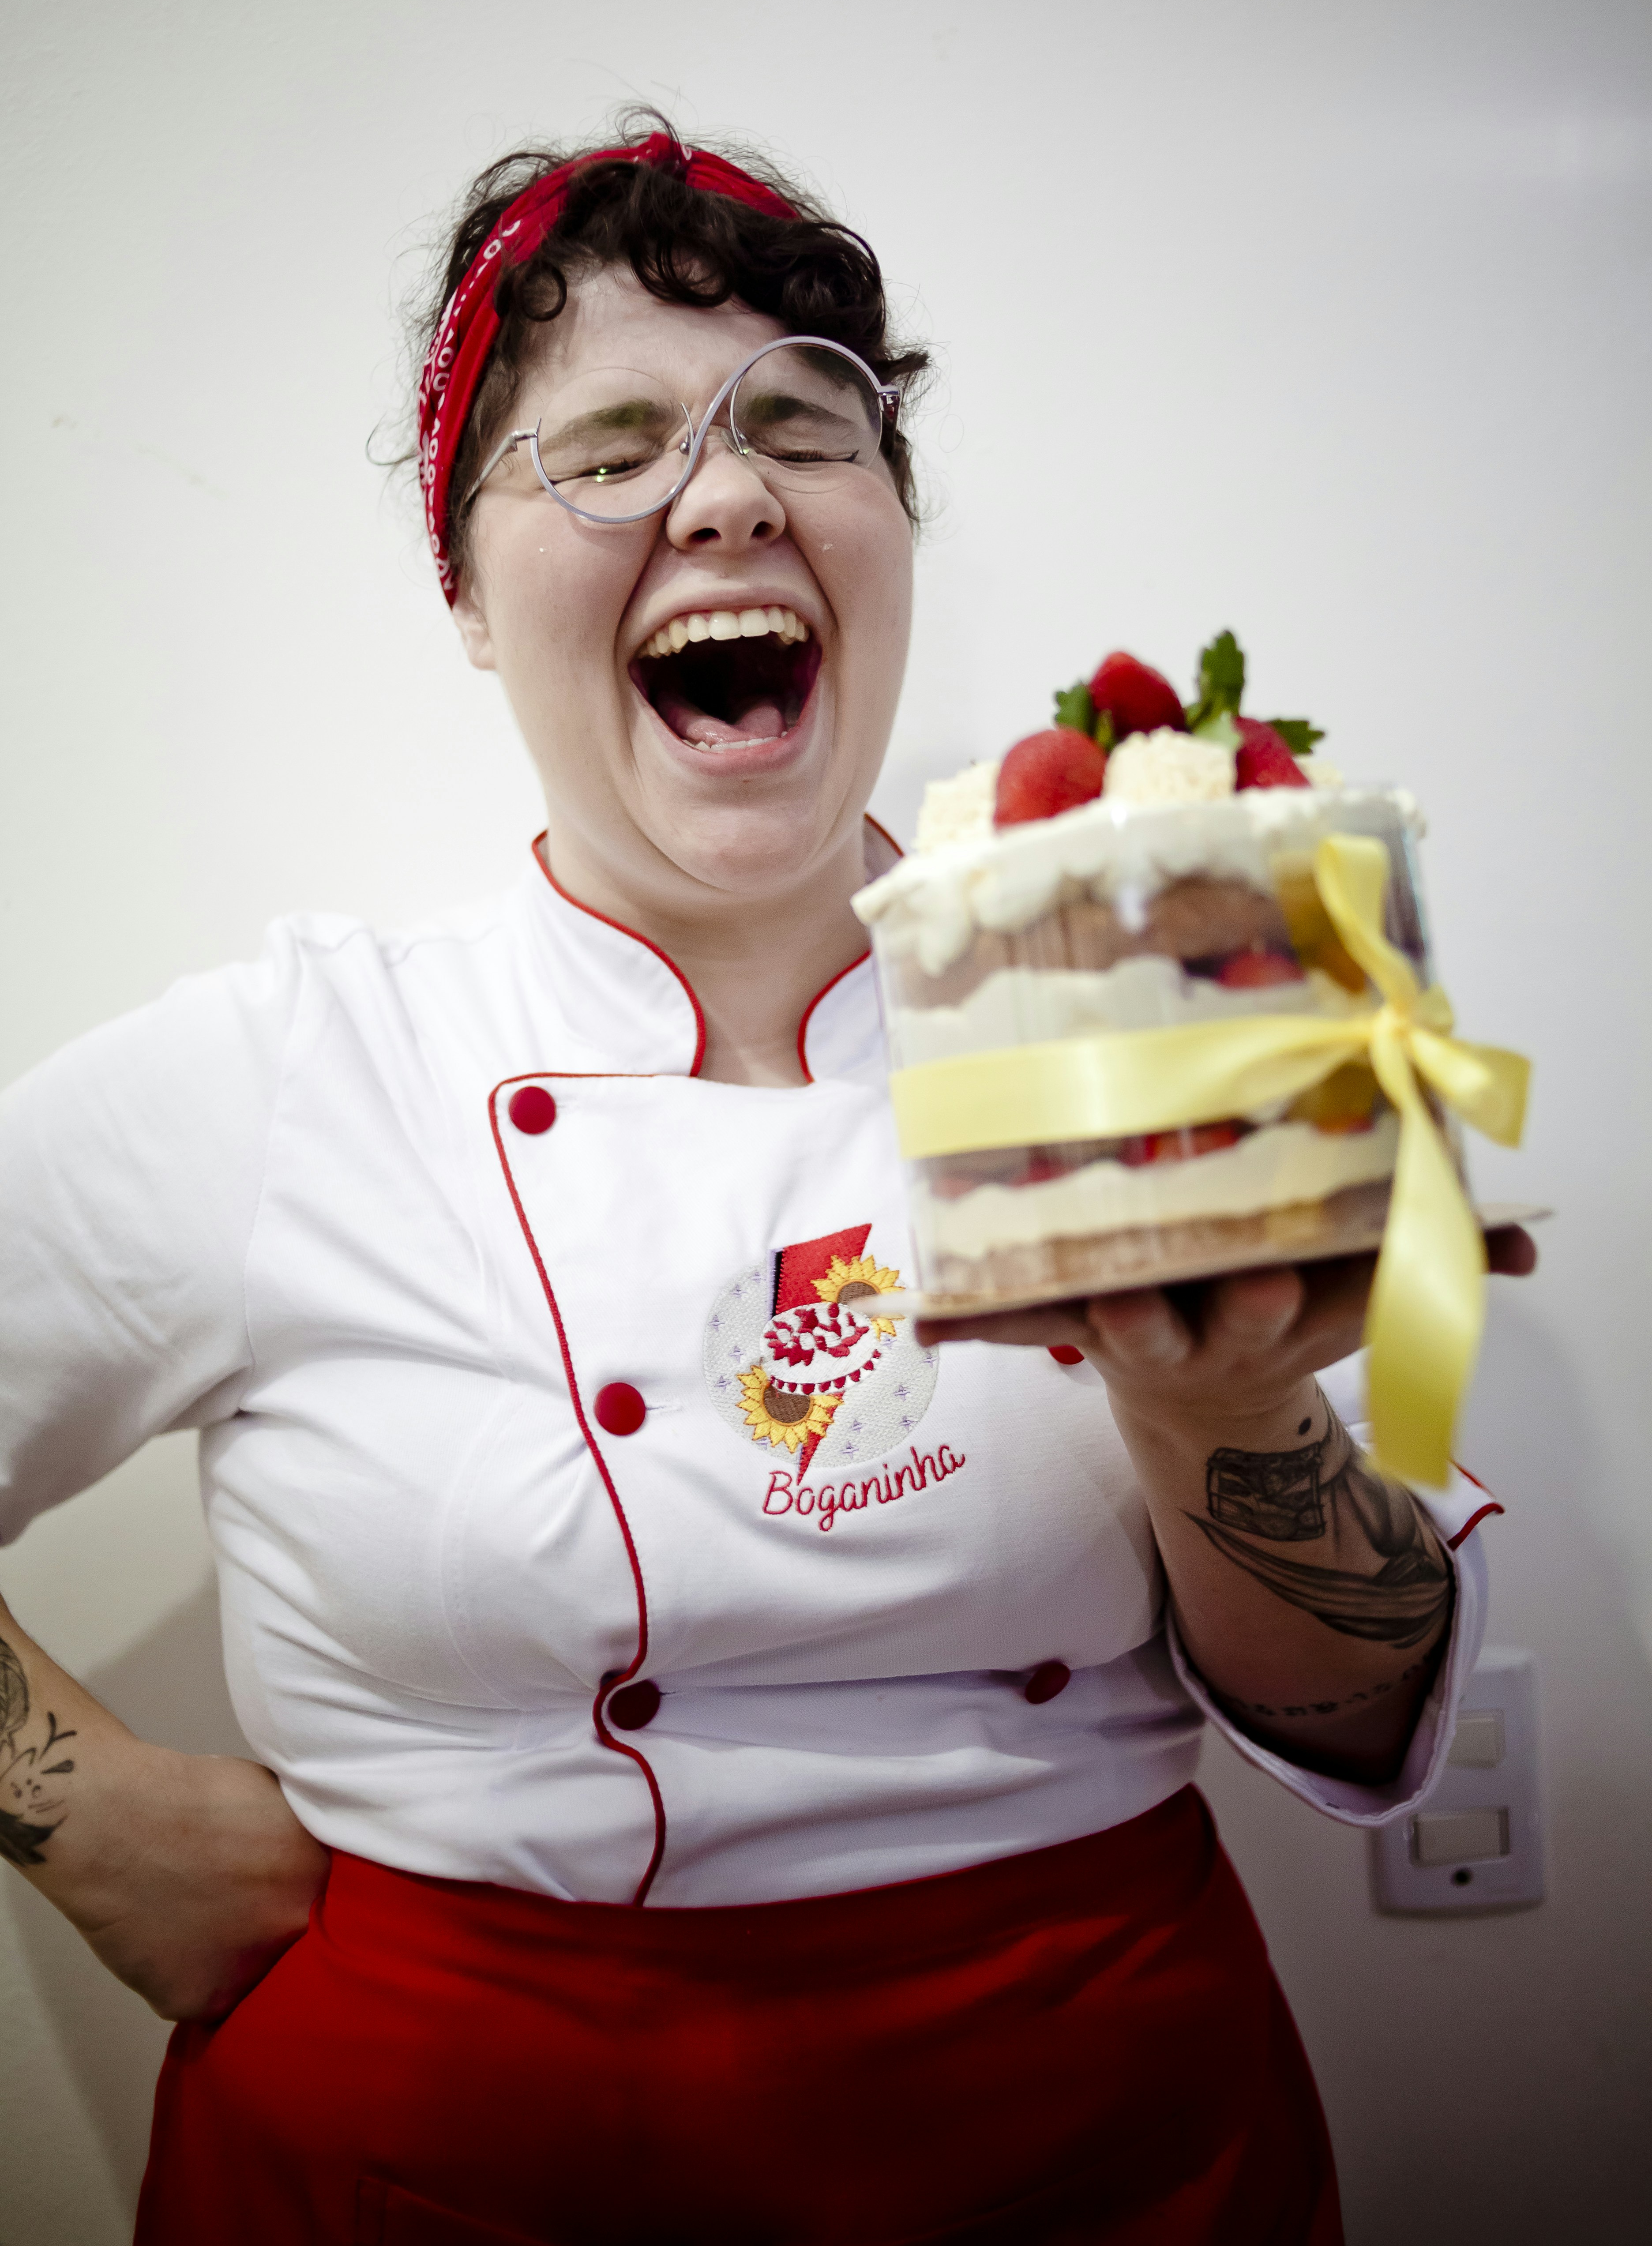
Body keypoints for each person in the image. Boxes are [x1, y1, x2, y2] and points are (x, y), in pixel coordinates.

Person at [0, 118, 1532, 2245]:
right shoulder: (293, 1072)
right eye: (609, 444)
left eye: (806, 426)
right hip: (434, 2166)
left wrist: (1220, 1417)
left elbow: (1370, 1717)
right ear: (460, 589)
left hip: (1103, 2139)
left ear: (892, 529)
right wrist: (90, 1824)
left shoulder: (1136, 1002)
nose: (725, 490)